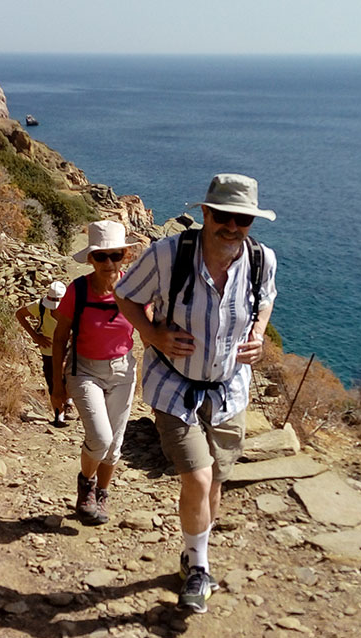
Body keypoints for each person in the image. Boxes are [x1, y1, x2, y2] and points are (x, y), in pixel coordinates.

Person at [115, 173, 277, 613]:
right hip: (175, 388)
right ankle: (201, 568)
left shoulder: (262, 260)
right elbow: (125, 294)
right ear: (206, 213)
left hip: (229, 390)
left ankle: (191, 554)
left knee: (216, 481)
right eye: (223, 216)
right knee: (198, 476)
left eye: (242, 219)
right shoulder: (168, 255)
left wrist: (259, 334)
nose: (232, 226)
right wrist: (152, 335)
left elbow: (266, 298)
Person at [51, 220, 140, 526]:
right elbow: (60, 337)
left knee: (114, 446)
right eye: (100, 256)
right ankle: (86, 482)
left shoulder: (134, 290)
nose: (108, 262)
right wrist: (57, 387)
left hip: (123, 371)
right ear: (90, 258)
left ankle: (101, 493)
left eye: (114, 255)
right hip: (84, 369)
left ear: (124, 256)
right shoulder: (77, 290)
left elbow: (151, 326)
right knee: (100, 438)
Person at [16, 281, 70, 426]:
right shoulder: (40, 306)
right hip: (49, 350)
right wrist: (36, 337)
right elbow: (20, 314)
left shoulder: (72, 308)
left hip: (69, 348)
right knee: (53, 381)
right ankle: (59, 416)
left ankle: (67, 401)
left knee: (70, 377)